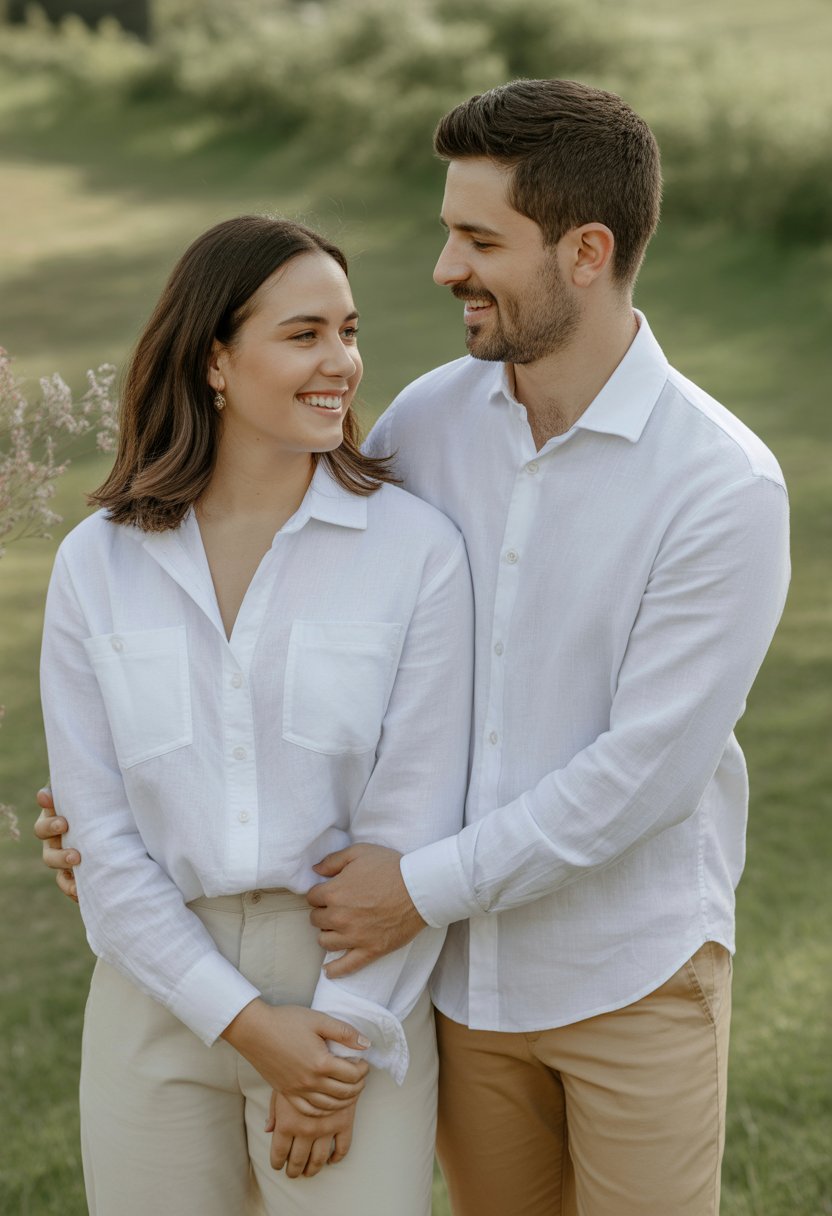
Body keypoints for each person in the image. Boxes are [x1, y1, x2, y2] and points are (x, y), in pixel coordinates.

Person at [38, 79, 790, 1215]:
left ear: (584, 252)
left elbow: (646, 772)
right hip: (461, 988)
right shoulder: (422, 428)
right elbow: (298, 623)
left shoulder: (718, 484)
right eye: (448, 231)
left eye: (478, 238)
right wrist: (137, 815)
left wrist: (416, 890)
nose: (443, 267)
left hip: (624, 969)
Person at [36, 214, 473, 1216]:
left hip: (352, 986)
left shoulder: (415, 552)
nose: (342, 363)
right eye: (303, 334)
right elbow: (100, 837)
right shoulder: (96, 565)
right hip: (154, 990)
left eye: (349, 331)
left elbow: (413, 826)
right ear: (215, 360)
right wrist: (243, 1023)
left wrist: (336, 1044)